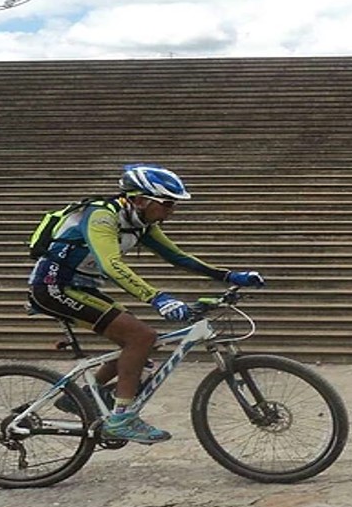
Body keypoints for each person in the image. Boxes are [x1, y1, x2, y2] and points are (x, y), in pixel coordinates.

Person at [25, 163, 265, 443]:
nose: (171, 211)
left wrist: (229, 276)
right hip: (52, 286)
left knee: (144, 341)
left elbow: (178, 257)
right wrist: (157, 297)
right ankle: (122, 419)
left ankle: (85, 395)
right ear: (140, 200)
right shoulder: (102, 216)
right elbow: (111, 264)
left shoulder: (140, 223)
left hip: (81, 287)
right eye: (167, 204)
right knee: (141, 337)